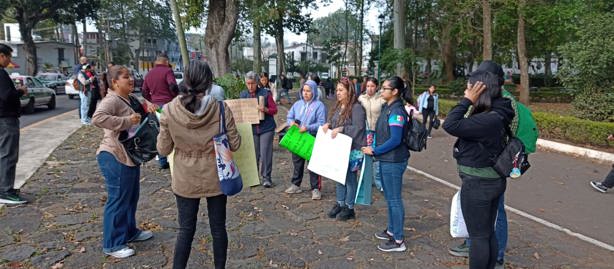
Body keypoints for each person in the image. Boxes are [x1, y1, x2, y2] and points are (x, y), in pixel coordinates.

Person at [157, 60, 240, 269]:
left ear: (186, 79)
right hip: (217, 176)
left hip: (185, 178)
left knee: (185, 230)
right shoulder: (221, 109)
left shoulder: (168, 111)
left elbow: (163, 150)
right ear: (209, 83)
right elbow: (236, 144)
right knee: (218, 229)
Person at [443, 70, 515, 269]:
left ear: (480, 90)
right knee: (486, 232)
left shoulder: (487, 120)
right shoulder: (500, 111)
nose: (466, 91)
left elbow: (450, 124)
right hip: (492, 181)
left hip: (478, 185)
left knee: (478, 237)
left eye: (469, 87)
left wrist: (466, 100)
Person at [92, 65, 158, 258]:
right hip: (114, 155)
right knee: (118, 198)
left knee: (130, 196)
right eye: (126, 77)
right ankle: (112, 244)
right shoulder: (111, 99)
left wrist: (149, 108)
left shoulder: (129, 98)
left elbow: (142, 117)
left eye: (131, 76)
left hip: (129, 155)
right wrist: (126, 121)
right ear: (114, 82)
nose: (131, 79)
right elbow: (97, 118)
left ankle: (129, 231)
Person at [361, 76, 413, 252]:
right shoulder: (388, 107)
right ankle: (391, 230)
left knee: (394, 199)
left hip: (393, 160)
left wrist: (375, 151)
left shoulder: (397, 111)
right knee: (390, 198)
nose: (381, 91)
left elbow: (395, 139)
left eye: (384, 88)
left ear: (395, 92)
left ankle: (398, 240)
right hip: (386, 159)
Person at [323, 77, 366, 221]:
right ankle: (340, 203)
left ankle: (349, 207)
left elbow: (359, 128)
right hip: (339, 148)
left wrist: (343, 129)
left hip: (352, 149)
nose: (338, 93)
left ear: (349, 91)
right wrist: (328, 125)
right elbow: (334, 122)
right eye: (337, 90)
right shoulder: (338, 106)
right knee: (338, 176)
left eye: (341, 90)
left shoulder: (357, 107)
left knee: (349, 178)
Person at [284, 80, 327, 200]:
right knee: (297, 162)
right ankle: (296, 185)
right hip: (297, 138)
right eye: (304, 90)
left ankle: (315, 189)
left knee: (313, 164)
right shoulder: (297, 104)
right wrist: (291, 123)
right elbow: (289, 116)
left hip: (311, 138)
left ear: (313, 91)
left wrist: (307, 127)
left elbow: (321, 124)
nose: (306, 93)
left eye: (308, 91)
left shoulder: (319, 106)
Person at [0, 44, 28, 205]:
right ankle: (6, 190)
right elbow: (6, 96)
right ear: (1, 56)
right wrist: (20, 91)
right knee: (8, 155)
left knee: (3, 154)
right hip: (6, 119)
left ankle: (4, 187)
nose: (9, 60)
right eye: (8, 57)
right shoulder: (1, 74)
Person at [240, 71, 278, 188]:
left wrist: (265, 109)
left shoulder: (265, 93)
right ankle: (253, 178)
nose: (250, 86)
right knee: (253, 154)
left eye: (252, 83)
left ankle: (266, 178)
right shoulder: (243, 95)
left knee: (265, 153)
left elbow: (274, 110)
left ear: (257, 83)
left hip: (266, 127)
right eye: (248, 83)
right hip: (251, 128)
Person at [141, 53, 178, 169]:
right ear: (166, 61)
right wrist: (176, 96)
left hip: (155, 107)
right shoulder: (168, 71)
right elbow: (172, 86)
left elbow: (144, 92)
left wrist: (151, 101)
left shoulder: (149, 74)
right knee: (172, 132)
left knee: (159, 133)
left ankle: (162, 161)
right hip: (168, 105)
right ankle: (173, 158)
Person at [358, 77, 386, 191]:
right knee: (364, 155)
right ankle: (365, 180)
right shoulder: (361, 98)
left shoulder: (382, 99)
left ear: (377, 87)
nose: (370, 89)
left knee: (377, 156)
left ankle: (379, 182)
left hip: (378, 131)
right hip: (365, 131)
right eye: (368, 86)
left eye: (372, 86)